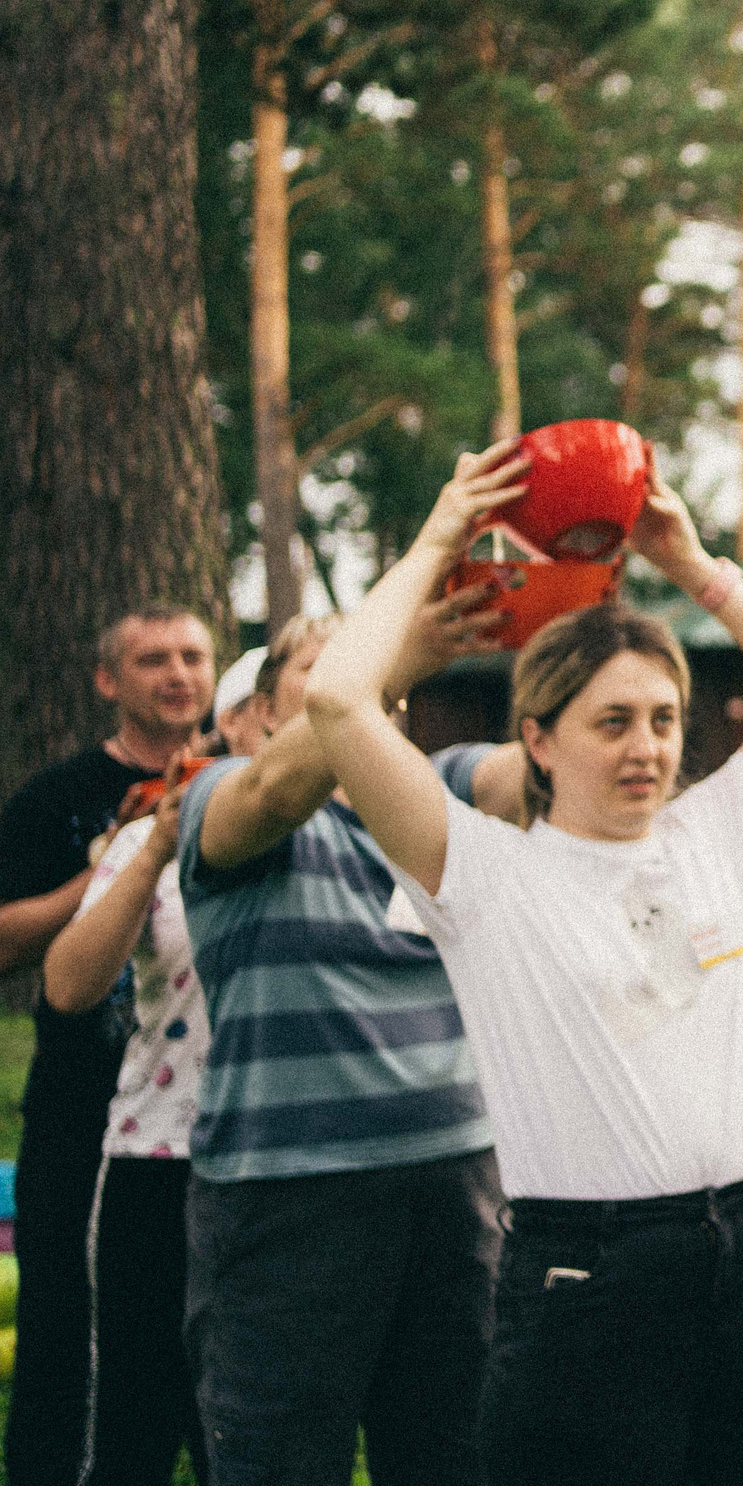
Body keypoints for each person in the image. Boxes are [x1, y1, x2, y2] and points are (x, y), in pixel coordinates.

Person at [305, 446, 743, 1485]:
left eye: (662, 720)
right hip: (581, 1281)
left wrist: (694, 566)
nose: (646, 747)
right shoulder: (482, 876)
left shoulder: (712, 833)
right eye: (612, 723)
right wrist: (439, 534)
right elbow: (340, 700)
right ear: (539, 741)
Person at [177, 596, 517, 1486]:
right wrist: (387, 662)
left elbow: (551, 771)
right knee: (280, 1464)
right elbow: (276, 786)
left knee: (455, 1455)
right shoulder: (222, 796)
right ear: (257, 714)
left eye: (379, 676)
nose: (366, 695)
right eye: (334, 673)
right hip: (289, 1202)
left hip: (456, 1190)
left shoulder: (441, 792)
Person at [0, 604, 214, 1486]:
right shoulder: (54, 797)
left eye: (192, 655)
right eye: (152, 657)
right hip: (81, 1104)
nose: (176, 673)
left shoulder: (241, 788)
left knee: (205, 1353)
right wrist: (116, 865)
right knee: (67, 1336)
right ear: (106, 680)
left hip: (200, 1122)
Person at [42, 646, 263, 1485]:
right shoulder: (148, 836)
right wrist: (152, 851)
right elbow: (68, 984)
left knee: (242, 1436)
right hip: (159, 1162)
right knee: (137, 1424)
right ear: (235, 721)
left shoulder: (356, 842)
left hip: (286, 1172)